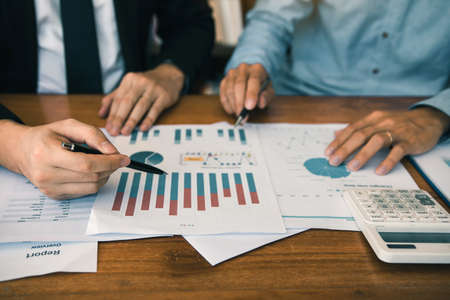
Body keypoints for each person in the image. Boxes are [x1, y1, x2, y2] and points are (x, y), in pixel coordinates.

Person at [0, 0, 214, 199]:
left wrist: (171, 71)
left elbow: (193, 22)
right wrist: (12, 143)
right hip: (24, 111)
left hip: (127, 106)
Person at [220, 0, 449, 175]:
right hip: (301, 99)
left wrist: (438, 114)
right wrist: (252, 63)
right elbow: (272, 18)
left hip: (414, 118)